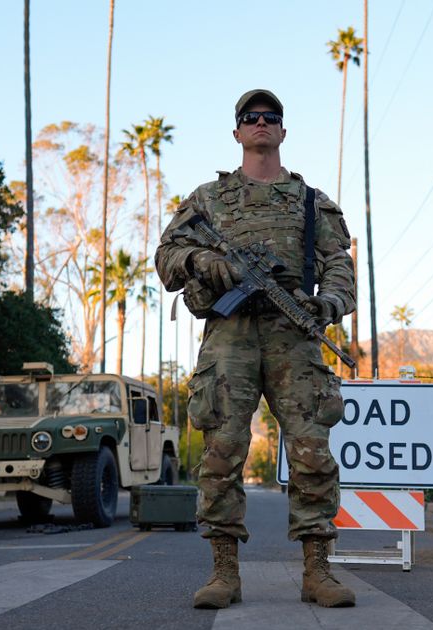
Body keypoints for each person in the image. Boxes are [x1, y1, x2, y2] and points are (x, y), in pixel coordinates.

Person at [156, 89, 356, 610]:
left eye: (271, 117)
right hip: (230, 333)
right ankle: (224, 573)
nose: (261, 123)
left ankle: (318, 571)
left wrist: (328, 304)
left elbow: (339, 264)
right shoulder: (208, 199)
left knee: (312, 451)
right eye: (251, 117)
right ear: (238, 132)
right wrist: (205, 261)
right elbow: (167, 256)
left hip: (294, 337)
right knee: (222, 451)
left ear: (283, 132)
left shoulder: (313, 202)